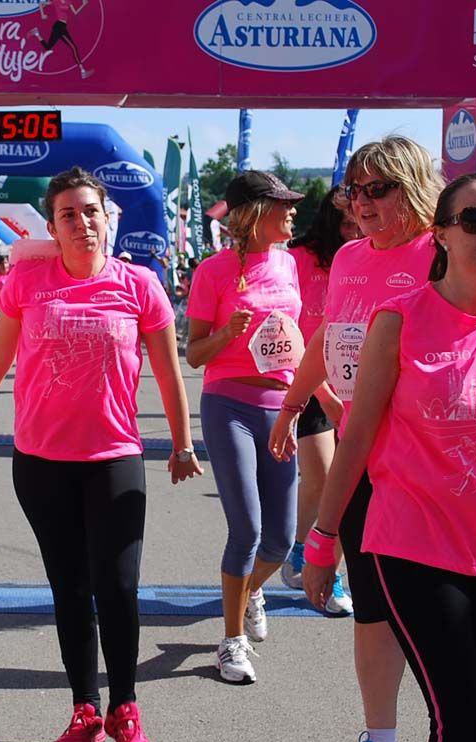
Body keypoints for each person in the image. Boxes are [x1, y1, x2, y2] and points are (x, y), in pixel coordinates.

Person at [270, 137, 476, 742]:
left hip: (447, 467)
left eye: (378, 188)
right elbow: (330, 334)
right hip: (369, 458)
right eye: (356, 189)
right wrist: (294, 401)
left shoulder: (453, 252)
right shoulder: (350, 257)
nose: (362, 203)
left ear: (418, 194)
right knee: (374, 615)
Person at [0, 166, 202, 742]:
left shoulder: (139, 285)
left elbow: (168, 370)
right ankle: (85, 710)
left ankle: (126, 709)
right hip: (40, 462)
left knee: (118, 588)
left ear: (107, 217)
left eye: (91, 210)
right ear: (52, 226)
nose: (83, 222)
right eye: (69, 213)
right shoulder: (29, 282)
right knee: (70, 590)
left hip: (114, 458)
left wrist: (182, 441)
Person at [185, 170, 308, 685]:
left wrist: (304, 402)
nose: (293, 213)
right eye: (283, 205)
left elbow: (299, 340)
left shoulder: (289, 263)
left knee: (280, 541)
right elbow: (193, 354)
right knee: (249, 529)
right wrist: (226, 334)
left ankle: (250, 589)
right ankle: (230, 641)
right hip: (227, 404)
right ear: (254, 214)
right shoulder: (212, 272)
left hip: (281, 405)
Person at [280, 186, 360, 612]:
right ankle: (299, 549)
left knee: (347, 486)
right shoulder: (297, 260)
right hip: (309, 384)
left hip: (360, 386)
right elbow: (290, 334)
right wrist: (322, 392)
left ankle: (333, 570)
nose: (355, 230)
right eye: (346, 223)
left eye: (359, 222)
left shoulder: (370, 256)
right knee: (324, 479)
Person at [28, 0, 94, 79]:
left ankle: (36, 33)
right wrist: (42, 14)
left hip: (62, 27)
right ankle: (83, 71)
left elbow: (75, 12)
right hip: (59, 26)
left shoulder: (69, 2)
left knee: (48, 47)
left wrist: (83, 5)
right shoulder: (56, 1)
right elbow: (41, 3)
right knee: (73, 47)